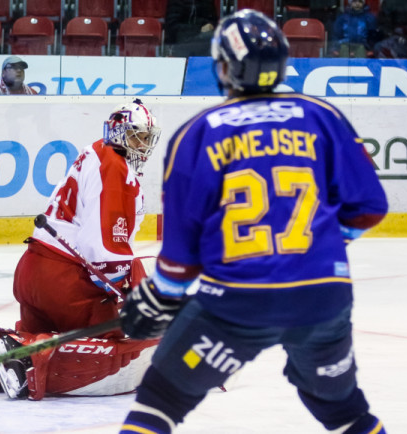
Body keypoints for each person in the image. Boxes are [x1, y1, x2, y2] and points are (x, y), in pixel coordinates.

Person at [118, 9, 389, 434]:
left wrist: (159, 295)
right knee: (344, 412)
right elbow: (370, 206)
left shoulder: (199, 132)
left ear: (222, 66)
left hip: (237, 304)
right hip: (321, 298)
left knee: (160, 402)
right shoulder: (321, 115)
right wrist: (320, 244)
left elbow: (180, 256)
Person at [0, 99, 162, 400]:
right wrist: (127, 294)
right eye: (137, 135)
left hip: (32, 272)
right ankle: (22, 354)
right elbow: (102, 247)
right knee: (117, 348)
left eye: (146, 137)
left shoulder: (95, 152)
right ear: (119, 133)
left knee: (26, 353)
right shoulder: (114, 167)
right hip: (66, 285)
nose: (143, 144)